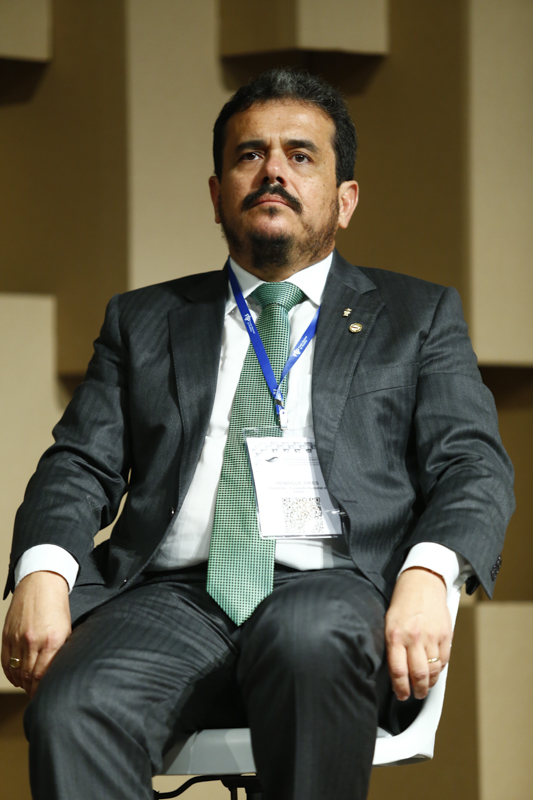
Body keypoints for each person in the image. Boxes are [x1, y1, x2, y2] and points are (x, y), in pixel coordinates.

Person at [2, 69, 514, 800]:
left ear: (345, 200)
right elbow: (78, 464)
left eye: (300, 155)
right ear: (217, 195)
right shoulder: (142, 320)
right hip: (171, 598)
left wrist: (429, 575)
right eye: (250, 154)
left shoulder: (416, 316)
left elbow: (472, 465)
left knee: (307, 638)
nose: (274, 170)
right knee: (72, 711)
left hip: (334, 587)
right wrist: (42, 573)